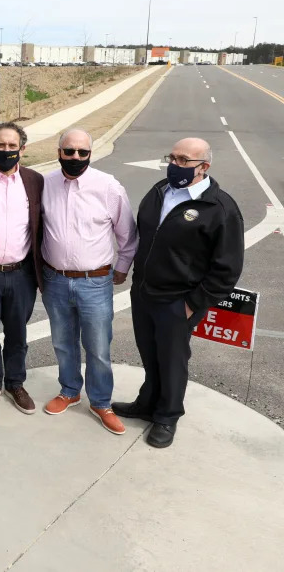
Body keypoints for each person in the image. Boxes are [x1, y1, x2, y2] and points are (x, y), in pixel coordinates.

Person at [114, 138, 244, 448]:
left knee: (172, 360)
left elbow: (227, 268)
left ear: (204, 167)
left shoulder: (220, 208)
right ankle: (147, 403)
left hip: (178, 302)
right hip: (144, 293)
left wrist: (193, 303)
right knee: (150, 354)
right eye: (171, 157)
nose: (174, 165)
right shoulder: (160, 191)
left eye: (183, 160)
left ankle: (168, 415)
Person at [40, 129, 137, 434]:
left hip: (95, 282)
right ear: (59, 152)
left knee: (97, 347)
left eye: (82, 152)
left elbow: (128, 235)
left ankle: (101, 402)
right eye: (69, 151)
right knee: (62, 343)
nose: (75, 157)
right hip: (55, 280)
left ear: (90, 154)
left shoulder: (108, 186)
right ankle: (69, 391)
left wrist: (121, 268)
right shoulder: (46, 184)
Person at [0, 121, 43, 415]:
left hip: (21, 273)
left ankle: (16, 382)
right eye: (0, 145)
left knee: (17, 333)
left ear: (22, 149)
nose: (6, 151)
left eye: (12, 146)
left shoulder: (35, 181)